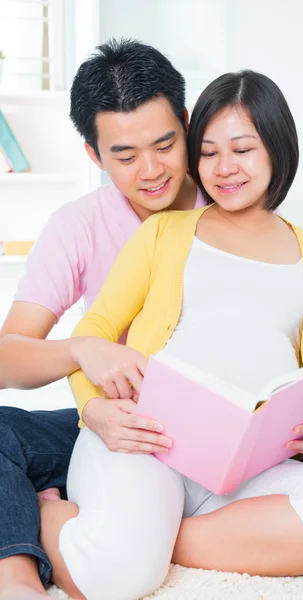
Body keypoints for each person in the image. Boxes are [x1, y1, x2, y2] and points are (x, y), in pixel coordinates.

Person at [37, 69, 303, 600]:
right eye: (208, 153)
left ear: (276, 148)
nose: (224, 169)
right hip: (146, 443)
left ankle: (158, 539)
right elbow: (97, 330)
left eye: (242, 149)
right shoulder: (164, 232)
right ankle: (58, 519)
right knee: (116, 580)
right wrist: (95, 411)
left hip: (251, 467)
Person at [0, 38, 206, 600]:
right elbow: (7, 356)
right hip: (117, 428)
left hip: (220, 432)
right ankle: (16, 575)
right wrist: (80, 351)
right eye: (124, 155)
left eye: (165, 144)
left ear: (187, 124)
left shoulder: (232, 200)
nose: (152, 170)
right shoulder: (78, 225)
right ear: (93, 154)